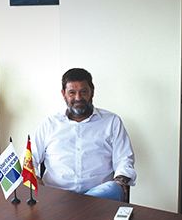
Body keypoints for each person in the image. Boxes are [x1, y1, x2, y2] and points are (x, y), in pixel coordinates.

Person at [33, 68, 136, 202]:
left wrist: (120, 181)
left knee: (113, 189)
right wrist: (40, 187)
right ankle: (80, 210)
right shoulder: (49, 125)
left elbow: (124, 160)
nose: (78, 98)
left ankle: (81, 208)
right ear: (63, 94)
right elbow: (28, 162)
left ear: (92, 91)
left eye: (83, 92)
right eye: (72, 93)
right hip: (57, 198)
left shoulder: (112, 122)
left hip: (99, 198)